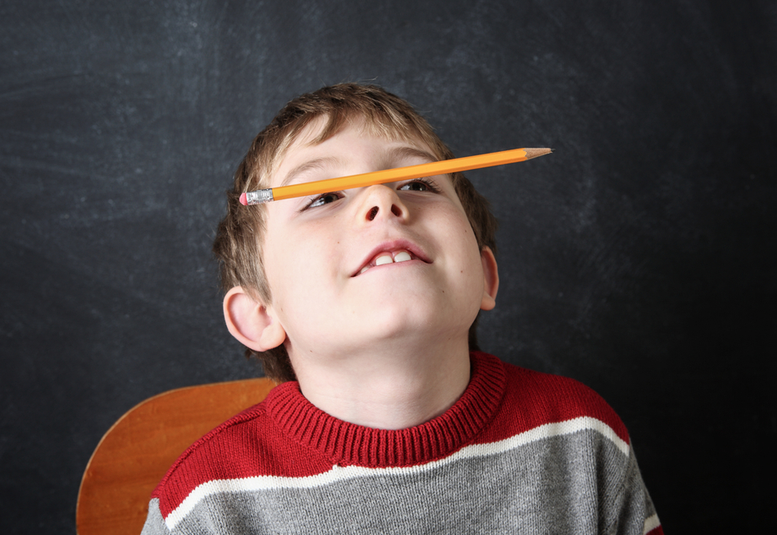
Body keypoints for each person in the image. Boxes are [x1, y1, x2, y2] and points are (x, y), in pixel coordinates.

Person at [141, 83, 662, 534]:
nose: (383, 200)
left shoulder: (582, 439)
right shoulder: (205, 505)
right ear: (258, 314)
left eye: (418, 183)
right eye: (322, 196)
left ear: (484, 275)